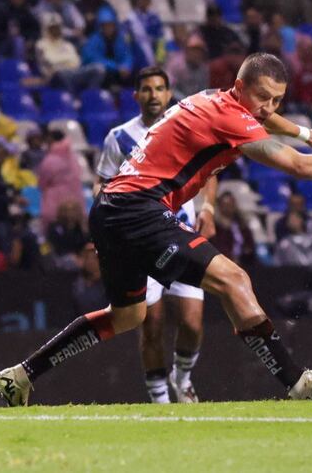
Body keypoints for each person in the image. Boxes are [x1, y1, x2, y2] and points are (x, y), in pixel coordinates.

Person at [0, 53, 312, 407]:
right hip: (138, 210)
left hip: (111, 210)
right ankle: (297, 382)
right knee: (234, 279)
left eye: (277, 100)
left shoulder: (214, 96)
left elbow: (264, 118)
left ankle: (21, 375)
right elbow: (299, 168)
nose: (269, 108)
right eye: (263, 97)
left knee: (127, 316)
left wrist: (306, 133)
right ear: (240, 88)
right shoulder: (229, 115)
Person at [94, 66, 216, 403]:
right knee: (152, 323)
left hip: (181, 234)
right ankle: (159, 400)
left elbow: (210, 168)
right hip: (142, 242)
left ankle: (184, 376)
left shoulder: (184, 127)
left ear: (168, 92)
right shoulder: (119, 138)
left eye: (160, 89)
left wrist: (209, 209)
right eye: (146, 89)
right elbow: (103, 184)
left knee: (192, 323)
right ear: (136, 95)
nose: (153, 96)